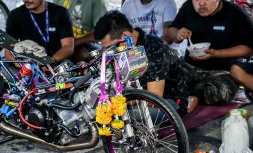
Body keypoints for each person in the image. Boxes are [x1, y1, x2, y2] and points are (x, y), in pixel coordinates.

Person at [94, 10, 240, 114]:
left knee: (220, 90)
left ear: (125, 36)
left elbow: (153, 99)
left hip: (176, 95)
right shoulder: (125, 46)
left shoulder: (154, 49)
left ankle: (192, 98)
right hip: (179, 80)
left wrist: (117, 100)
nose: (107, 51)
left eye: (110, 47)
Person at [167, 0, 253, 105]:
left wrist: (217, 53)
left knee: (219, 93)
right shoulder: (188, 8)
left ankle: (186, 93)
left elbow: (251, 49)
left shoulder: (235, 13)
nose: (201, 3)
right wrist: (178, 34)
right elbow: (172, 30)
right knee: (164, 76)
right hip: (190, 67)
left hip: (223, 71)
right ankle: (189, 92)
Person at [5, 0, 74, 63]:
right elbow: (8, 51)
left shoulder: (60, 13)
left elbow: (68, 47)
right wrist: (19, 63)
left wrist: (49, 61)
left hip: (56, 61)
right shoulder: (15, 15)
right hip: (29, 63)